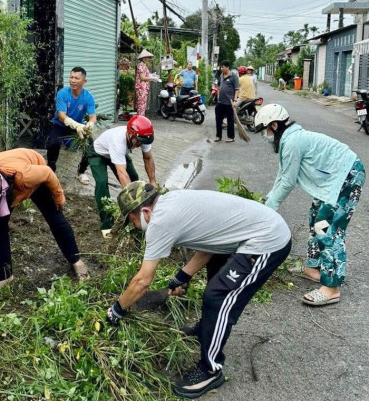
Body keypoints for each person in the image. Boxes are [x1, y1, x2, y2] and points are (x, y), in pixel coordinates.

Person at [106, 181, 291, 399]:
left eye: (133, 221)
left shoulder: (160, 222)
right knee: (217, 274)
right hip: (248, 233)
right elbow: (211, 242)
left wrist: (116, 310)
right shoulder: (173, 201)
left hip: (267, 240)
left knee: (218, 297)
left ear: (145, 211)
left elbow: (142, 281)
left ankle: (210, 369)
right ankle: (206, 331)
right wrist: (182, 276)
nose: (135, 227)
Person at [255, 104, 366, 306]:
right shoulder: (290, 139)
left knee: (327, 228)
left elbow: (288, 182)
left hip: (347, 176)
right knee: (316, 217)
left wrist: (268, 210)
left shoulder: (292, 142)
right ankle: (312, 268)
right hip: (331, 181)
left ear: (274, 125)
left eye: (265, 130)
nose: (265, 135)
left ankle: (331, 287)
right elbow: (283, 175)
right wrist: (267, 201)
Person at [0, 148, 89, 302]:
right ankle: (5, 277)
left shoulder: (25, 176)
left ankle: (76, 260)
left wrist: (59, 196)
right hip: (2, 189)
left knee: (54, 216)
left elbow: (48, 172)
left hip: (33, 174)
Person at [86, 116, 156, 238]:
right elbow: (122, 172)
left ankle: (140, 216)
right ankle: (106, 224)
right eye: (138, 141)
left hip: (118, 154)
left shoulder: (143, 136)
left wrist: (153, 181)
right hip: (98, 153)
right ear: (130, 134)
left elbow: (148, 158)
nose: (140, 145)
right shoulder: (118, 141)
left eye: (143, 142)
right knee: (102, 183)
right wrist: (131, 203)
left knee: (134, 178)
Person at [46, 66, 96, 185]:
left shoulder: (88, 97)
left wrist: (89, 125)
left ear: (84, 81)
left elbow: (93, 117)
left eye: (76, 78)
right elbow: (61, 115)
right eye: (71, 77)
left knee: (90, 145)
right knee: (53, 143)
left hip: (78, 128)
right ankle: (50, 172)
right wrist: (76, 125)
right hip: (60, 125)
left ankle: (81, 172)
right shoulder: (63, 93)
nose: (73, 80)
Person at [215, 60, 239, 143]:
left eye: (223, 67)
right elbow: (218, 86)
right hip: (220, 102)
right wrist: (218, 95)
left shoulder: (234, 76)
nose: (221, 68)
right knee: (218, 119)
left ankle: (231, 137)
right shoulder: (221, 75)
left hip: (229, 103)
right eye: (221, 67)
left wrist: (235, 100)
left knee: (230, 120)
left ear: (227, 67)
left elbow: (236, 89)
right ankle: (218, 136)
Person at [135, 49, 160, 116]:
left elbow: (146, 75)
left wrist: (152, 75)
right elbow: (142, 77)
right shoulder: (141, 65)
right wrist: (152, 78)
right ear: (142, 58)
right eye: (145, 57)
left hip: (144, 87)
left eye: (147, 57)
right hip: (141, 87)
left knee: (143, 104)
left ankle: (141, 119)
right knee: (141, 105)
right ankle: (140, 120)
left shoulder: (144, 65)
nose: (146, 59)